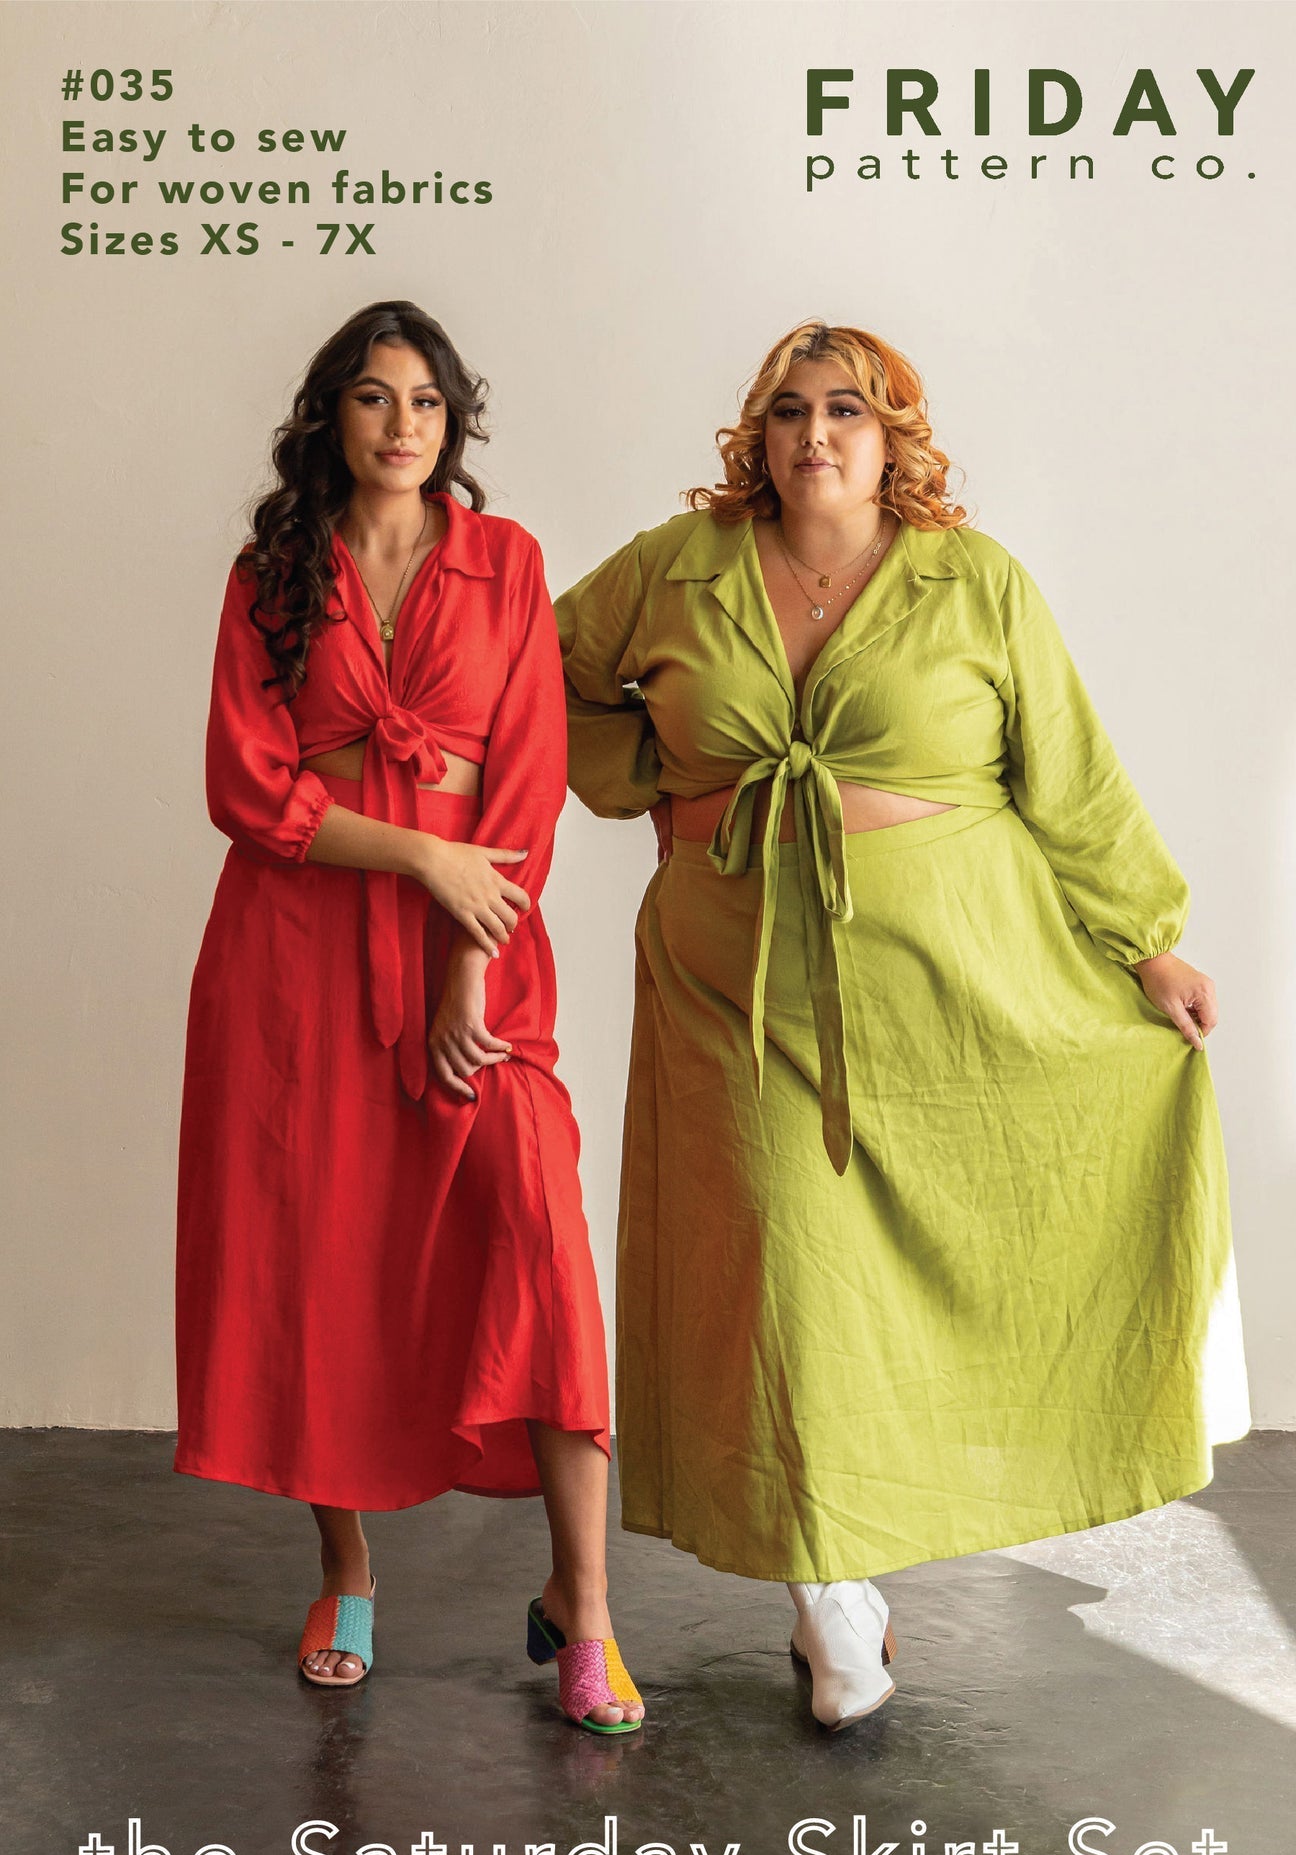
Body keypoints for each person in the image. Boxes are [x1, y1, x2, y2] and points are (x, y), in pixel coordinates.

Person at [556, 320, 1248, 1731]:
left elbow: (1069, 772)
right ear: (756, 434)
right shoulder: (675, 568)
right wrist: (655, 776)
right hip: (734, 978)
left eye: (848, 412)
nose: (815, 435)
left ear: (893, 440)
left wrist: (1146, 938)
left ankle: (864, 1556)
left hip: (950, 975)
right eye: (789, 410)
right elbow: (532, 674)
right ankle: (830, 1593)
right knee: (789, 1277)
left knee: (912, 1280)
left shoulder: (973, 579)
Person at [175, 299, 643, 1734]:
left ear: (454, 421)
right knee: (321, 1255)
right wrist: (418, 858)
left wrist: (465, 961)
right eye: (376, 398)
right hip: (298, 952)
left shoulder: (509, 563)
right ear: (333, 414)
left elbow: (527, 783)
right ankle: (346, 1573)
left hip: (477, 951)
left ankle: (587, 1608)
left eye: (427, 401)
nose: (403, 425)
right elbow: (246, 784)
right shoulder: (273, 571)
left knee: (541, 1241)